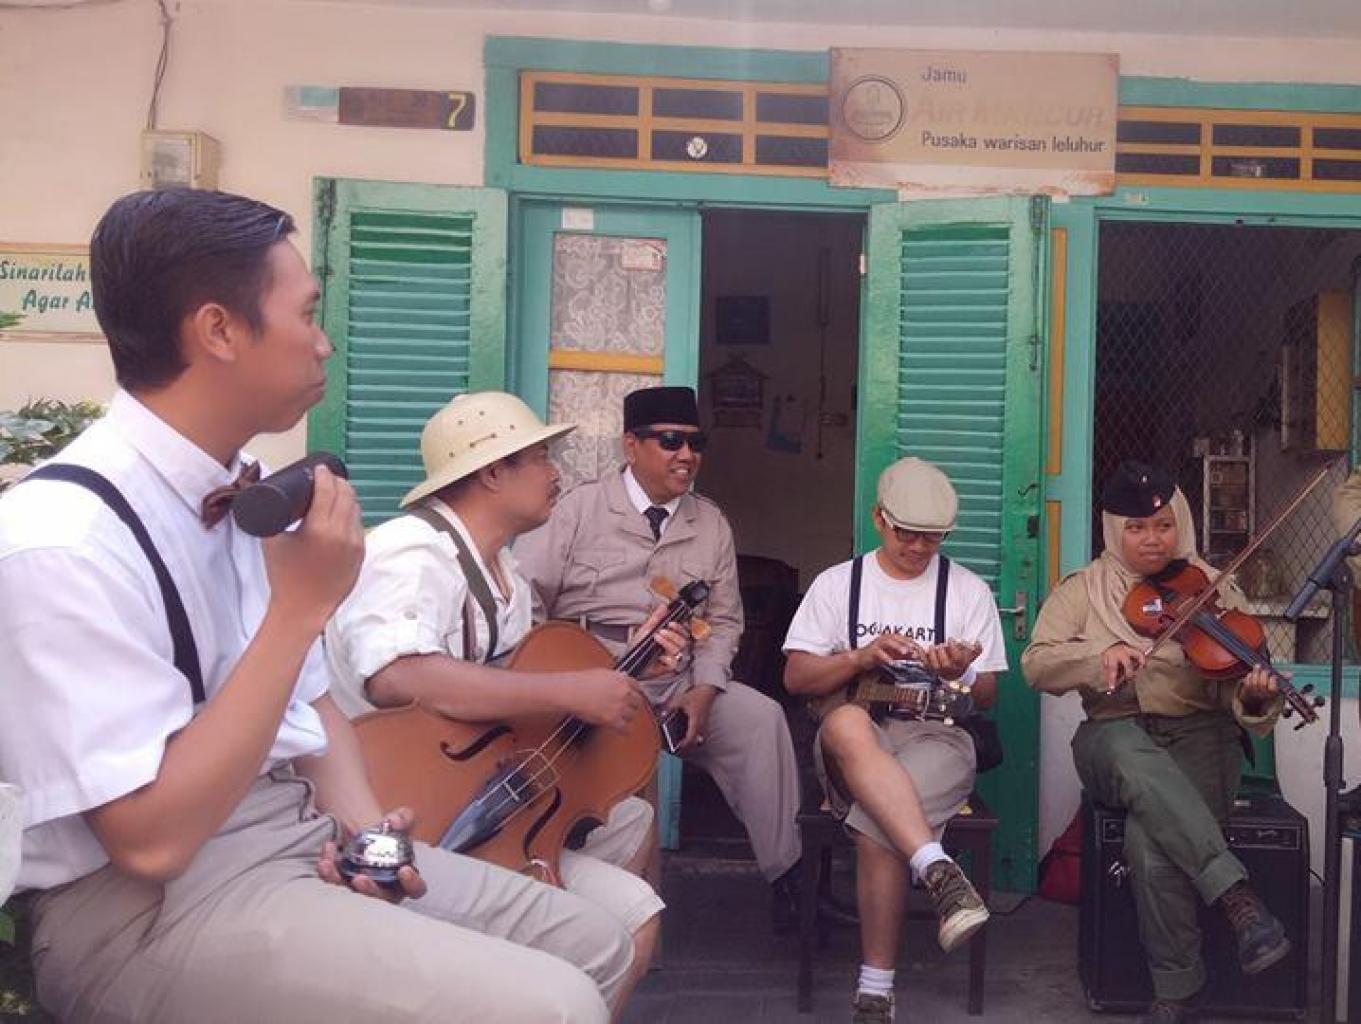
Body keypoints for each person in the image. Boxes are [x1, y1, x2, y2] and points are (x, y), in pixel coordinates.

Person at [0, 189, 637, 1023]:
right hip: (141, 910)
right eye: (305, 313)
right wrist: (299, 609)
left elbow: (310, 707)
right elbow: (150, 842)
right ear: (219, 330)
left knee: (597, 943)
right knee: (556, 1005)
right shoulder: (61, 541)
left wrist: (374, 844)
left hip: (299, 835)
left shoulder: (247, 490)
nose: (324, 340)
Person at [325, 390, 670, 1005]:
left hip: (484, 798)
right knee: (624, 923)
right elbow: (397, 676)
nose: (555, 473)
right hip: (404, 810)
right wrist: (569, 690)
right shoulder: (412, 552)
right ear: (491, 472)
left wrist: (622, 668)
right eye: (539, 458)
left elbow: (509, 696)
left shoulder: (505, 575)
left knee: (632, 858)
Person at [515, 385, 805, 927]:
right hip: (594, 678)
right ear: (631, 445)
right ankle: (617, 916)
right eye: (670, 441)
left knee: (760, 719)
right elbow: (524, 598)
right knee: (627, 792)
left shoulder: (710, 522)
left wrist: (705, 689)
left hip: (677, 681)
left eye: (696, 443)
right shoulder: (578, 509)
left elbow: (723, 622)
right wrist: (563, 674)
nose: (686, 455)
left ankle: (787, 876)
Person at [1022, 461, 1289, 1024]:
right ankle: (1235, 892)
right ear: (1113, 529)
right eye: (1137, 528)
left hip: (1199, 736)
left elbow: (1240, 687)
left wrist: (1256, 697)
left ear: (1180, 525)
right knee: (1127, 752)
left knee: (1149, 844)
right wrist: (1096, 659)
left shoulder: (1213, 585)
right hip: (1112, 734)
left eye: (1164, 526)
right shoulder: (1083, 590)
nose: (1153, 539)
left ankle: (1177, 993)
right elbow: (1036, 665)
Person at [782, 456, 1004, 1024]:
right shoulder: (839, 585)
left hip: (936, 735)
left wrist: (960, 668)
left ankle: (876, 991)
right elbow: (797, 678)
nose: (919, 547)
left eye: (933, 537)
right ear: (879, 518)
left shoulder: (967, 591)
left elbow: (986, 696)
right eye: (907, 533)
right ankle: (937, 866)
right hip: (855, 737)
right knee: (845, 724)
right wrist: (860, 657)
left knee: (880, 815)